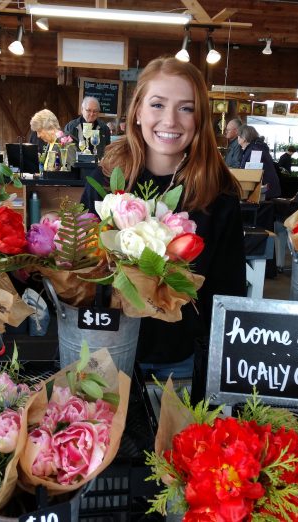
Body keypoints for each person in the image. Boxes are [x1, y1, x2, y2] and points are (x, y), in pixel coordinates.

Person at [80, 56, 246, 369]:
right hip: (105, 353)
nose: (170, 120)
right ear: (138, 111)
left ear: (199, 119)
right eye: (157, 104)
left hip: (180, 359)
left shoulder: (218, 194)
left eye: (186, 108)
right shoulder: (105, 181)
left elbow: (227, 292)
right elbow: (79, 272)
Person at [237, 124, 281, 199]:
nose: (237, 138)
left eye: (238, 135)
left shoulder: (255, 150)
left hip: (265, 193)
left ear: (244, 138)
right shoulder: (255, 147)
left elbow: (253, 173)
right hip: (266, 191)